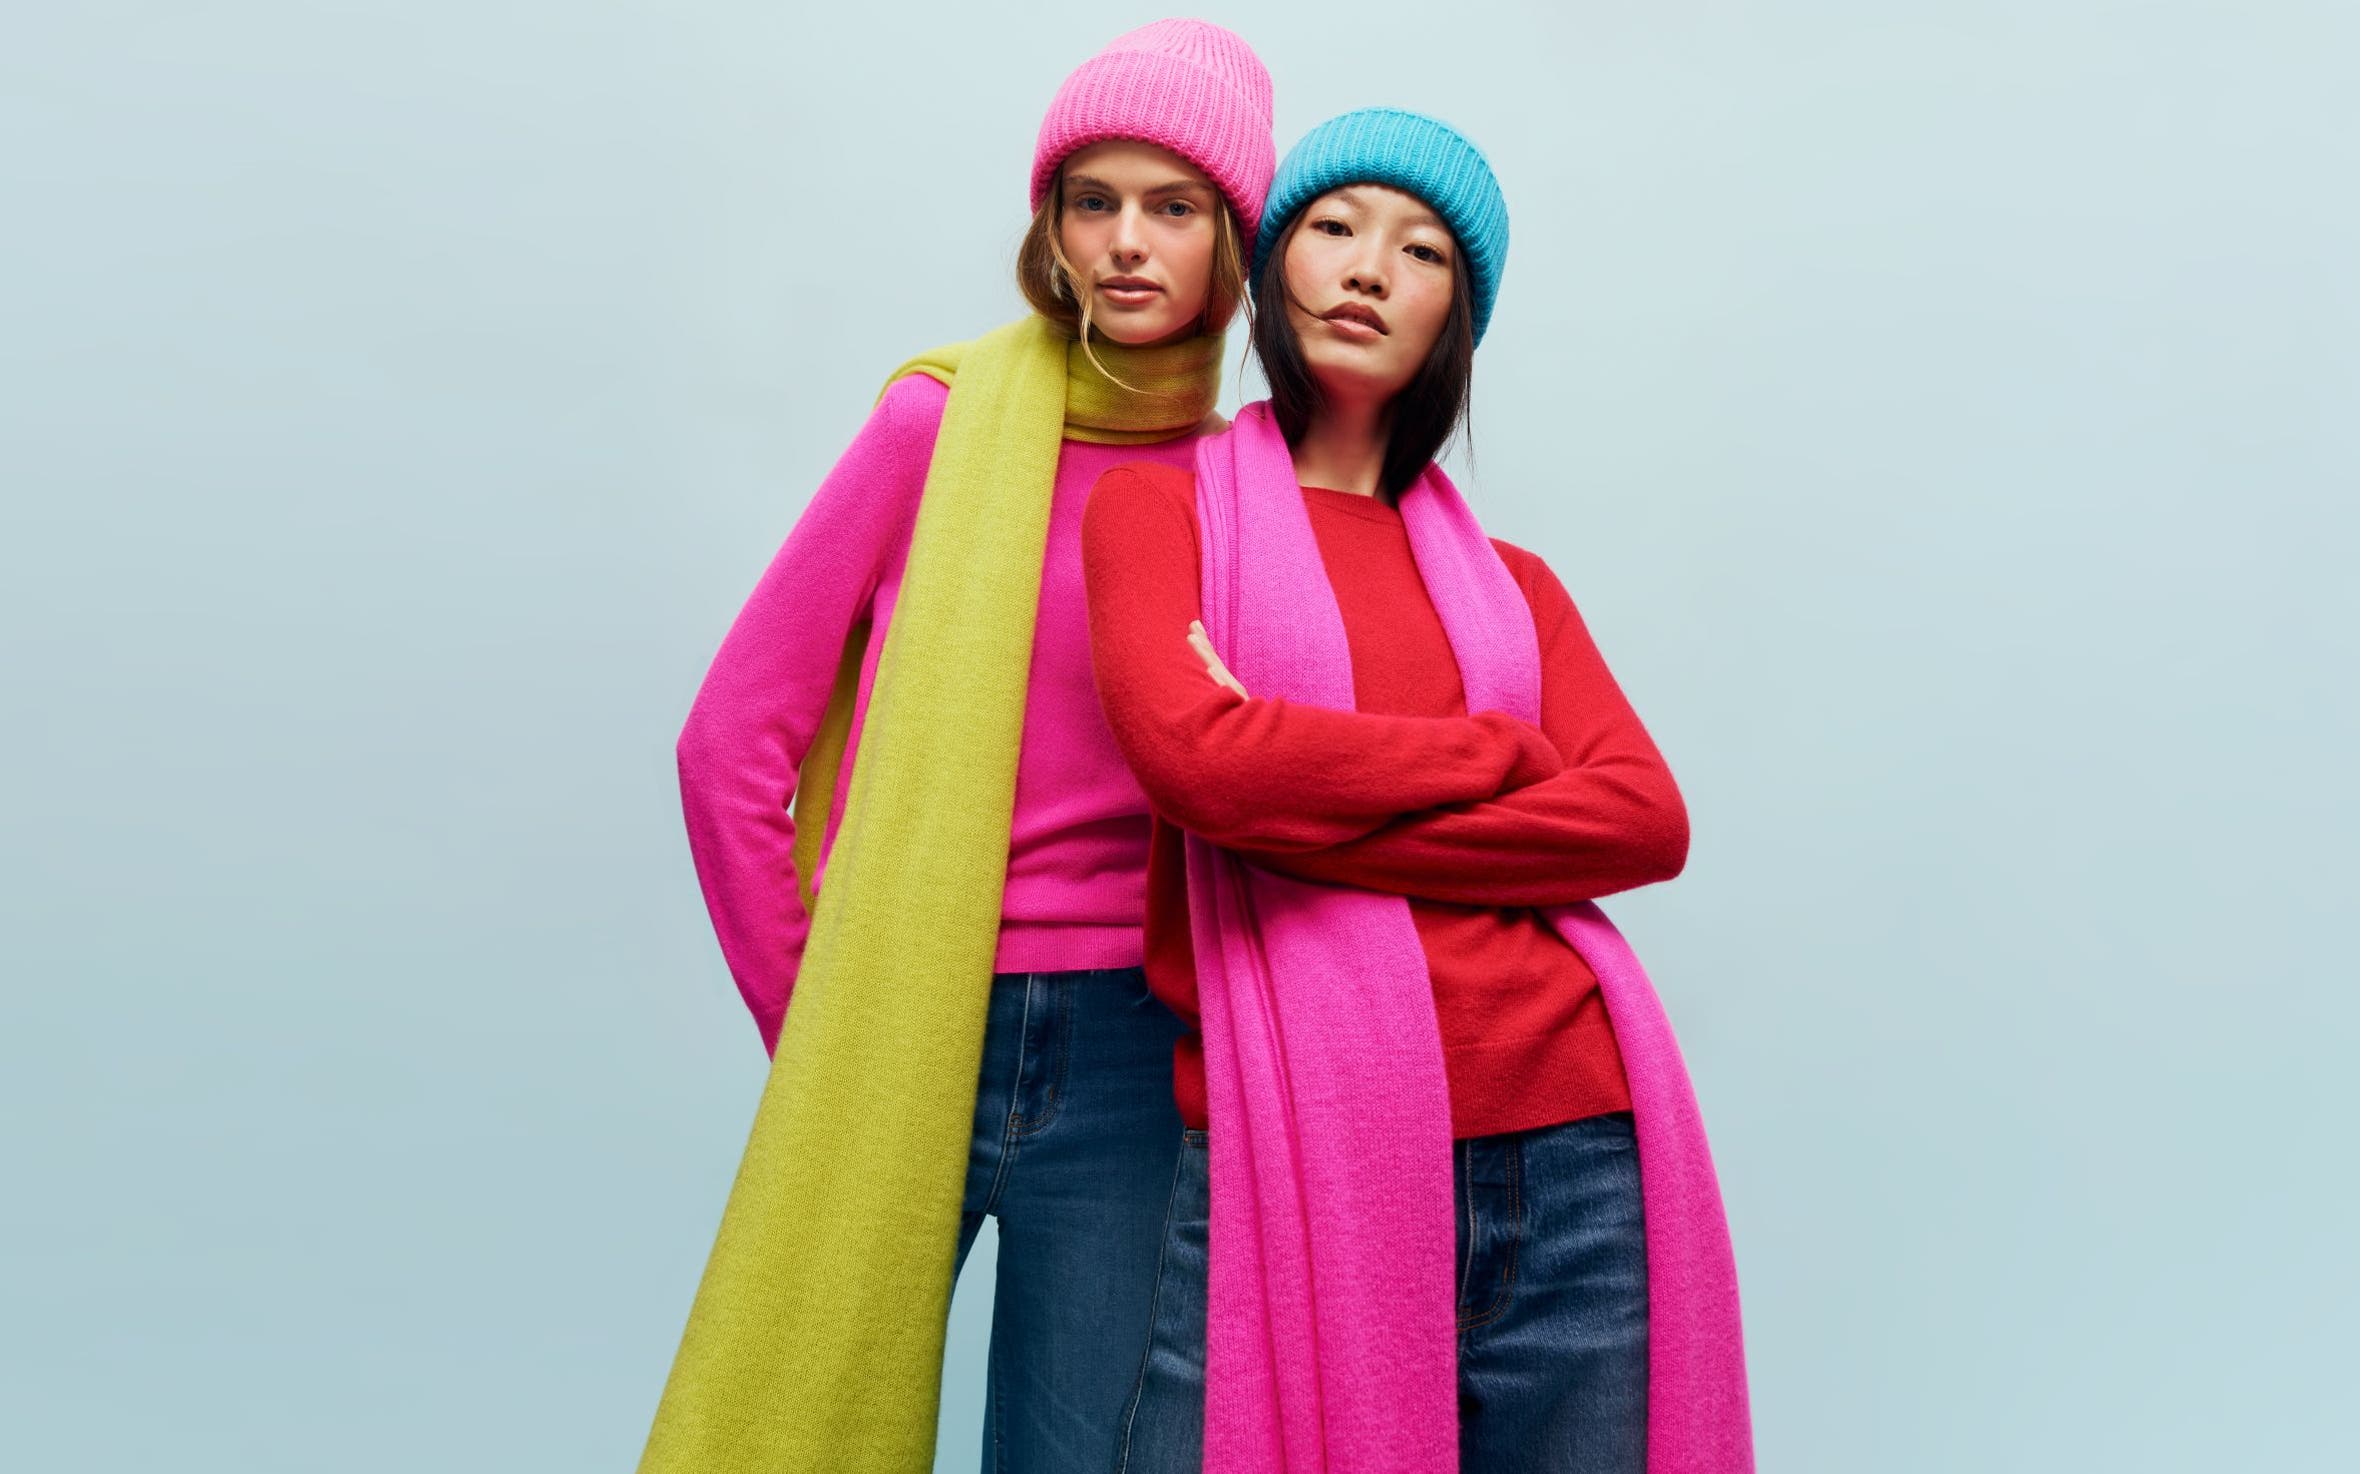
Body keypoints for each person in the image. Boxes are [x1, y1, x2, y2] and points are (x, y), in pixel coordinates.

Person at [637, 23, 1278, 1474]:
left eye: (1172, 207)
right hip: (914, 1008)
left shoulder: (1255, 488)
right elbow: (729, 742)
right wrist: (824, 1017)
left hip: (1134, 1050)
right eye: (1091, 200)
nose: (1125, 241)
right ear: (1049, 225)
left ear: (1234, 246)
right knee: (790, 1435)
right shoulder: (939, 424)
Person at [1081, 109, 1754, 1473]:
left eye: (1422, 251)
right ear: (1273, 271)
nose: (1370, 269)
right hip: (1296, 1141)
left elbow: (1641, 819)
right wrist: (1497, 754)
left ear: (1458, 314)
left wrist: (1296, 780)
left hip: (1577, 1146)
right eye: (1333, 229)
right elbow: (1194, 764)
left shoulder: (1515, 584)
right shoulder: (1161, 517)